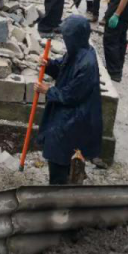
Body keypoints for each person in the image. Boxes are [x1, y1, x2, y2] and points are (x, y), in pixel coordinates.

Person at [35, 15, 103, 184]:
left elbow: (71, 94)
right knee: (56, 147)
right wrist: (49, 65)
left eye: (67, 37)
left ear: (76, 37)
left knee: (61, 151)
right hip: (68, 112)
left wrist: (48, 90)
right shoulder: (76, 52)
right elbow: (62, 67)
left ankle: (60, 189)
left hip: (77, 118)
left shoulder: (87, 64)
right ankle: (60, 181)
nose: (65, 40)